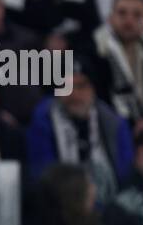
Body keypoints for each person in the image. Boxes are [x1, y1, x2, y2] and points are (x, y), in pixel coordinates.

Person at [26, 55, 133, 203]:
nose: (74, 95)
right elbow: (42, 176)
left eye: (82, 86)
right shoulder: (43, 122)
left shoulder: (114, 124)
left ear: (94, 89)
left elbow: (125, 176)